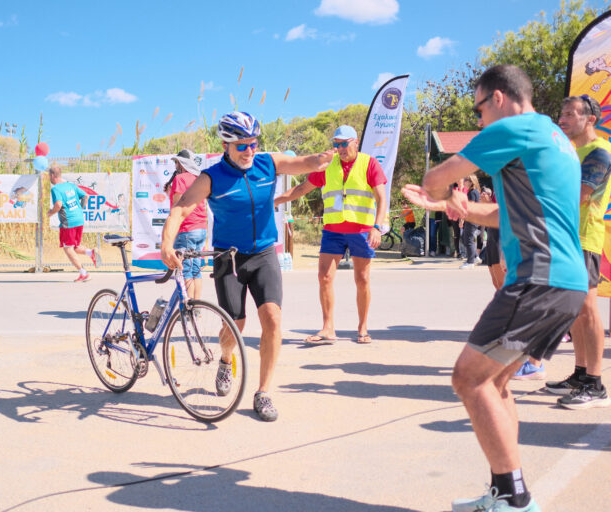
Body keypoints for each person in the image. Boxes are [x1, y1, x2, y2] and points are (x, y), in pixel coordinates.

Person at [402, 65, 587, 512]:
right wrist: (459, 209)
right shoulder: (552, 137)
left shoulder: (515, 128)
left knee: (468, 378)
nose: (479, 119)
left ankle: (515, 500)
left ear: (499, 98)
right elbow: (504, 216)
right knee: (497, 381)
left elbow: (435, 177)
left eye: (479, 108)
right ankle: (505, 491)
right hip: (566, 281)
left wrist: (436, 193)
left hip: (537, 277)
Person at [161, 111, 332, 422]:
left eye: (253, 143)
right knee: (235, 324)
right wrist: (166, 244)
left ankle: (263, 392)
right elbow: (180, 209)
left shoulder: (268, 162)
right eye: (242, 145)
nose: (249, 151)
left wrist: (321, 158)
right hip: (229, 258)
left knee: (272, 318)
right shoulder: (211, 178)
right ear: (226, 145)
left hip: (264, 254)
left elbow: (305, 163)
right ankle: (226, 360)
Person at [274, 125, 387, 345]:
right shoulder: (327, 166)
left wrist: (377, 226)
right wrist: (276, 200)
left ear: (355, 142)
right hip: (333, 230)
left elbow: (382, 198)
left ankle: (363, 328)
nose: (340, 148)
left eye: (344, 143)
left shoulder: (369, 163)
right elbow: (302, 189)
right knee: (324, 277)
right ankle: (328, 329)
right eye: (336, 144)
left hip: (361, 230)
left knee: (362, 279)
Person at [540, 94, 611, 408]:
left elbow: (581, 195)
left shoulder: (600, 151)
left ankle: (595, 385)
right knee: (573, 310)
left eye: (570, 113)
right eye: (562, 113)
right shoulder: (571, 150)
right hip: (562, 237)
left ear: (590, 119)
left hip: (583, 238)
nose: (563, 119)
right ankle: (580, 374)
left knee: (587, 308)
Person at [164, 149, 207, 300]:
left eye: (176, 162)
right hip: (201, 228)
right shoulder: (199, 178)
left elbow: (178, 206)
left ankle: (189, 307)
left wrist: (169, 195)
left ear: (182, 163)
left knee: (186, 271)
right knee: (196, 270)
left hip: (187, 228)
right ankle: (196, 307)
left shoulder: (180, 179)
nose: (175, 165)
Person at [46, 165, 97, 282]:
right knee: (75, 246)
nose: (49, 178)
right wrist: (80, 209)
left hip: (68, 222)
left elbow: (58, 205)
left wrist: (51, 212)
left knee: (68, 248)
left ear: (53, 176)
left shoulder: (55, 189)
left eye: (49, 176)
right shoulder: (70, 185)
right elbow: (86, 196)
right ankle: (91, 252)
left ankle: (84, 273)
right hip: (79, 219)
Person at [459, 175, 481, 269]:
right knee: (465, 238)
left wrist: (462, 219)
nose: (464, 181)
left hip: (472, 219)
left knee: (468, 240)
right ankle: (475, 257)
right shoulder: (473, 192)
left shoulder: (472, 193)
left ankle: (470, 262)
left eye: (466, 180)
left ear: (471, 182)